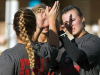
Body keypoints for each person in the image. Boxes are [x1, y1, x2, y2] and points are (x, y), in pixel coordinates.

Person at [0, 1, 59, 75]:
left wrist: (38, 28)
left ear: (13, 27)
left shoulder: (9, 56)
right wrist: (52, 21)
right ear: (35, 27)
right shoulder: (45, 52)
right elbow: (54, 47)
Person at [57, 5, 100, 75]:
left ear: (82, 18)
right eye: (66, 23)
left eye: (72, 20)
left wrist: (62, 35)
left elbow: (78, 56)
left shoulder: (94, 40)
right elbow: (51, 65)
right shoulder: (64, 44)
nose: (70, 25)